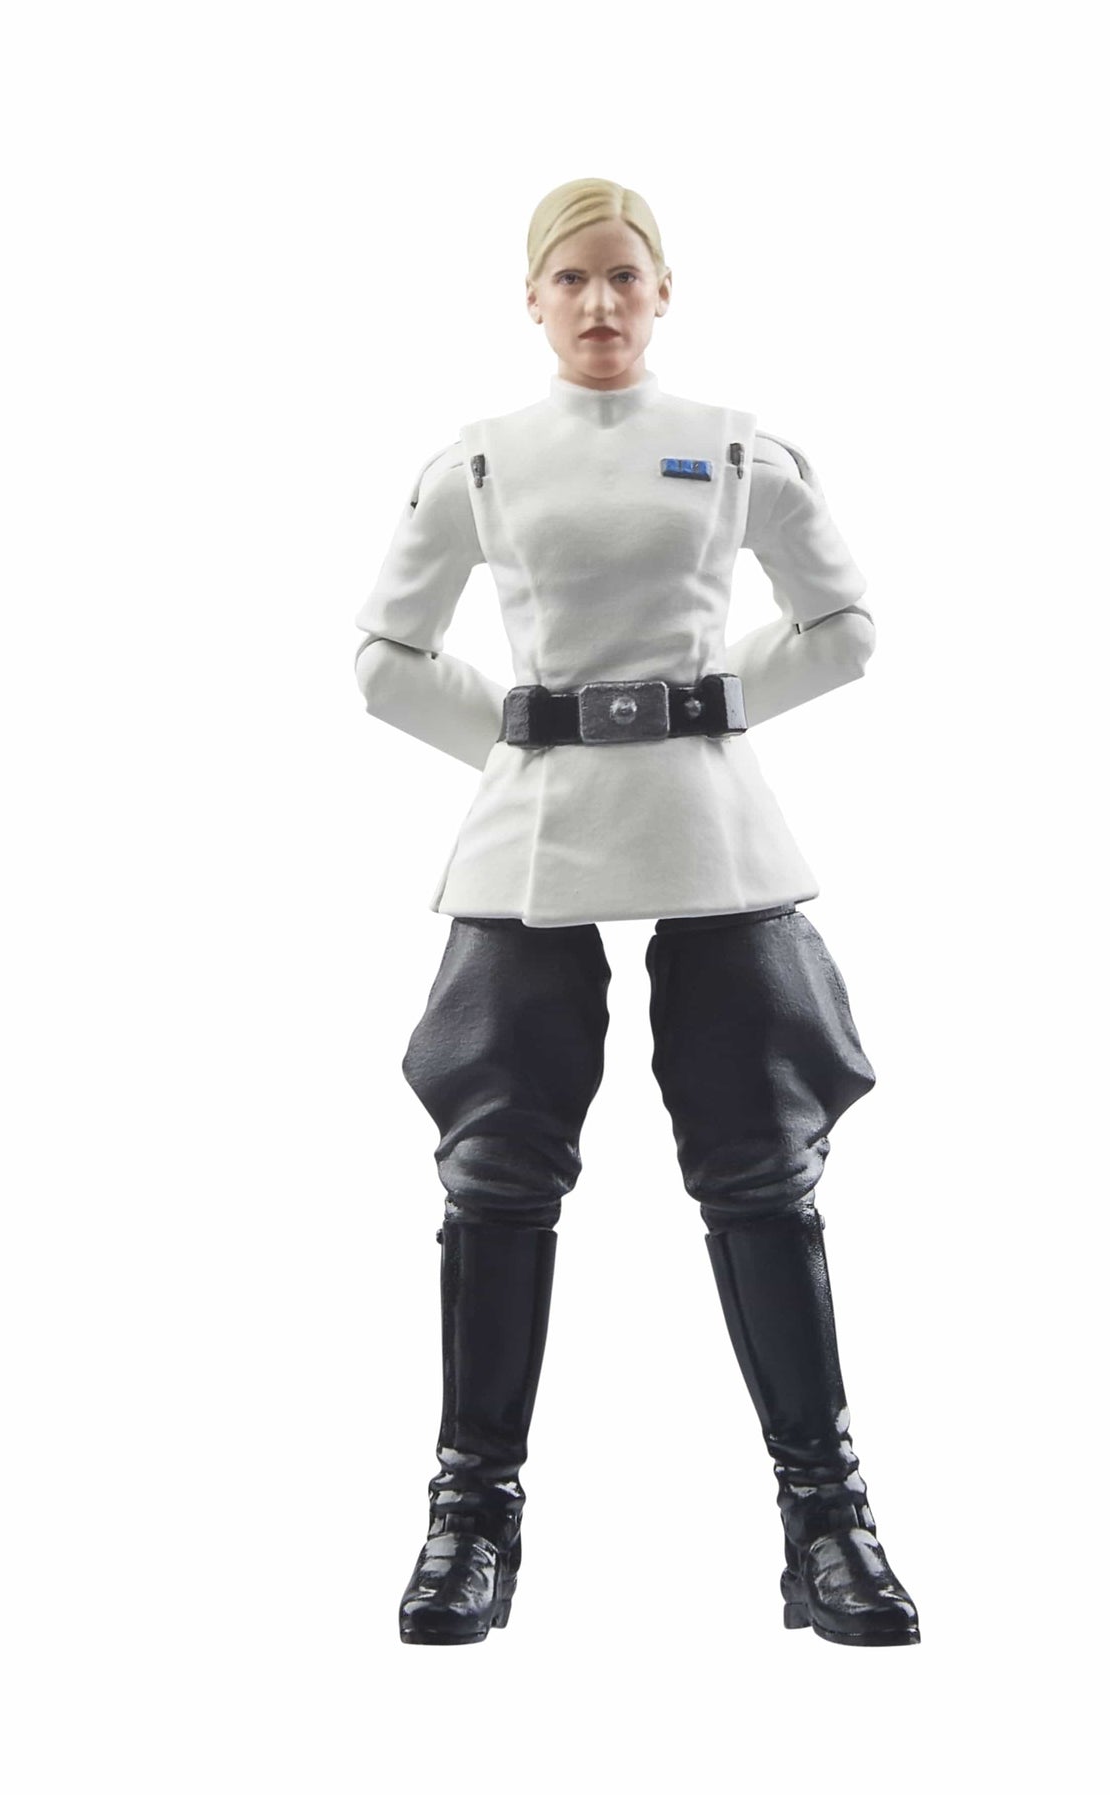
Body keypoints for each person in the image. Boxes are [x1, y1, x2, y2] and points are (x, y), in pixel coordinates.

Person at [354, 178, 920, 1647]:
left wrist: (708, 705)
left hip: (706, 824)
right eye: (570, 278)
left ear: (662, 289)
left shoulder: (733, 448)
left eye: (622, 275)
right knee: (494, 1164)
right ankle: (470, 1517)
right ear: (531, 298)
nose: (598, 303)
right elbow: (384, 657)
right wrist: (524, 740)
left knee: (761, 1160)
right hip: (537, 840)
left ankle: (827, 1519)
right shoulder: (479, 462)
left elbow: (844, 628)